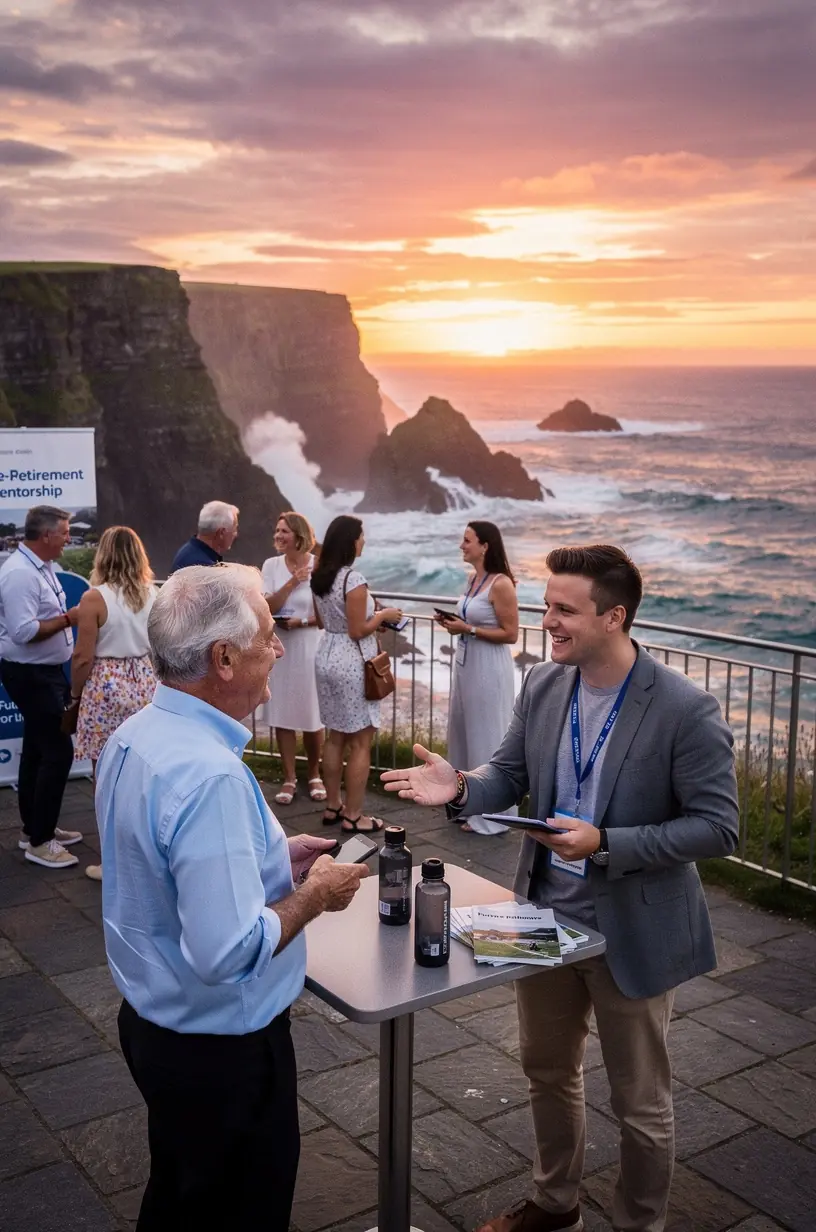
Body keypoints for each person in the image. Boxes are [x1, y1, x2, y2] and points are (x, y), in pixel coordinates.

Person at [382, 545, 739, 1232]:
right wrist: (460, 787)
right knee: (547, 1070)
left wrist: (606, 844)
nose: (547, 621)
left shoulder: (685, 709)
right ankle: (555, 1204)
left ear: (614, 616)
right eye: (546, 606)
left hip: (631, 927)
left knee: (640, 1103)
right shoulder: (545, 686)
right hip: (542, 916)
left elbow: (718, 829)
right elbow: (506, 775)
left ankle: (641, 1223)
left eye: (563, 610)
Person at [95, 562, 368, 1231]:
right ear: (222, 658)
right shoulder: (210, 773)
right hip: (223, 1054)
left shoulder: (136, 734)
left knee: (181, 1198)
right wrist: (316, 897)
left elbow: (154, 867)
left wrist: (273, 858)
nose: (278, 649)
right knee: (241, 1212)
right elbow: (227, 951)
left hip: (157, 1027)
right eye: (267, 637)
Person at [70, 526, 158, 882]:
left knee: (106, 776)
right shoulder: (153, 593)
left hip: (107, 688)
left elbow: (81, 658)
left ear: (103, 555)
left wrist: (76, 695)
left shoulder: (95, 598)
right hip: (146, 681)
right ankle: (148, 855)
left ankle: (114, 864)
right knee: (144, 774)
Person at [0, 505, 82, 868]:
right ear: (47, 535)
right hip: (30, 673)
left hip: (43, 672)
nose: (68, 538)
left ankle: (34, 828)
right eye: (65, 532)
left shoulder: (40, 566)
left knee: (36, 747)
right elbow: (24, 632)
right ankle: (41, 840)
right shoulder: (19, 574)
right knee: (58, 752)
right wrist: (69, 618)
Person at [310, 514, 402, 833]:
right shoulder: (354, 579)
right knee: (361, 742)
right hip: (352, 661)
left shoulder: (319, 576)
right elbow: (357, 630)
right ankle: (354, 815)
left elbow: (323, 623)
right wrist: (383, 615)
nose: (364, 541)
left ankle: (333, 805)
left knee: (335, 736)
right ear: (351, 541)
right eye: (361, 536)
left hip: (325, 656)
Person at [436, 520, 519, 835]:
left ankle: (493, 816)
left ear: (485, 546)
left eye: (467, 540)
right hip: (466, 663)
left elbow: (510, 634)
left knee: (486, 735)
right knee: (463, 732)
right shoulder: (474, 579)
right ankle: (464, 804)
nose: (462, 545)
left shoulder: (501, 584)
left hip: (488, 666)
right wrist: (455, 624)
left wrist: (467, 628)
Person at [257, 512, 325, 806]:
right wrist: (292, 583)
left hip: (310, 645)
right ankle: (288, 777)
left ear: (298, 535)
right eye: (277, 530)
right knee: (283, 713)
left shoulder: (319, 565)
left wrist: (301, 623)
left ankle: (314, 774)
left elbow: (326, 613)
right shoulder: (271, 565)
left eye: (283, 531)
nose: (278, 535)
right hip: (281, 647)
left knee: (313, 714)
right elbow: (265, 605)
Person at [169, 500, 239, 572]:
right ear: (221, 533)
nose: (236, 534)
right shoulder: (205, 569)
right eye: (234, 529)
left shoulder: (189, 552)